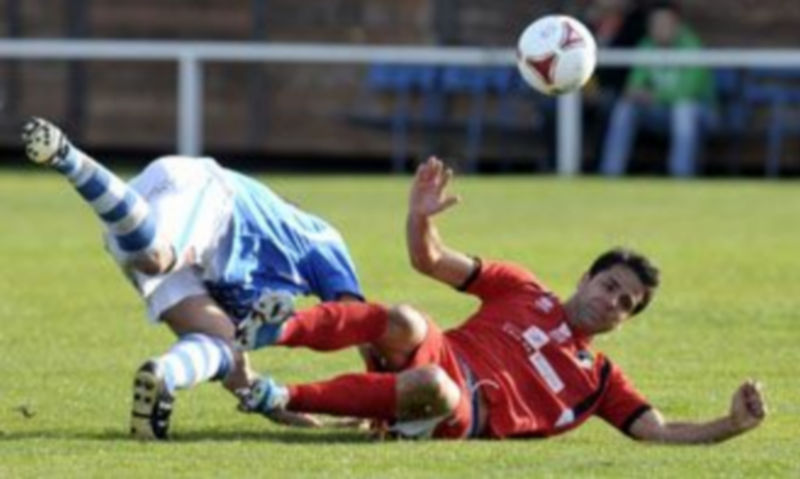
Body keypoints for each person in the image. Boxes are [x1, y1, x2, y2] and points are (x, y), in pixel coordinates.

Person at [235, 156, 766, 442]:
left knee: (432, 386)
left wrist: (731, 425)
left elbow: (658, 430)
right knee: (405, 318)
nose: (612, 303)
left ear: (626, 320)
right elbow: (430, 260)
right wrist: (419, 217)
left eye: (627, 304)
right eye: (609, 286)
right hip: (446, 351)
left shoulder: (599, 378)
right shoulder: (523, 288)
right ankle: (276, 329)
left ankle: (280, 396)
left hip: (464, 411)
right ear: (585, 278)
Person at [20, 117, 363, 440]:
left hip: (139, 225)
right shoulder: (319, 237)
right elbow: (362, 323)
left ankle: (165, 375)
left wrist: (278, 403)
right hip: (204, 193)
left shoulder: (254, 289)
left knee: (227, 349)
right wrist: (374, 401)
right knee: (157, 258)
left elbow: (241, 377)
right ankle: (68, 157)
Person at [599, 1, 717, 177]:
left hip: (700, 113)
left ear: (676, 25)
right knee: (625, 108)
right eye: (656, 24)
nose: (660, 29)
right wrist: (637, 93)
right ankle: (610, 173)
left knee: (683, 109)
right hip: (661, 112)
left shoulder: (691, 45)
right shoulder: (646, 46)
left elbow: (688, 91)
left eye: (665, 24)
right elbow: (634, 85)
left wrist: (655, 96)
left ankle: (680, 175)